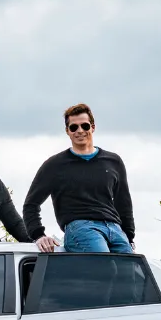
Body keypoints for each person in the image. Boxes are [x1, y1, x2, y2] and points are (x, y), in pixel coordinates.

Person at [22, 103, 135, 253]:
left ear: (93, 127)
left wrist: (130, 237)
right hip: (80, 227)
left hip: (114, 228)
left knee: (131, 273)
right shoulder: (55, 165)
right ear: (67, 131)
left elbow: (124, 203)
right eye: (74, 127)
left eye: (85, 126)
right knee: (106, 267)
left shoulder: (113, 161)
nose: (80, 131)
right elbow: (31, 204)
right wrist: (38, 235)